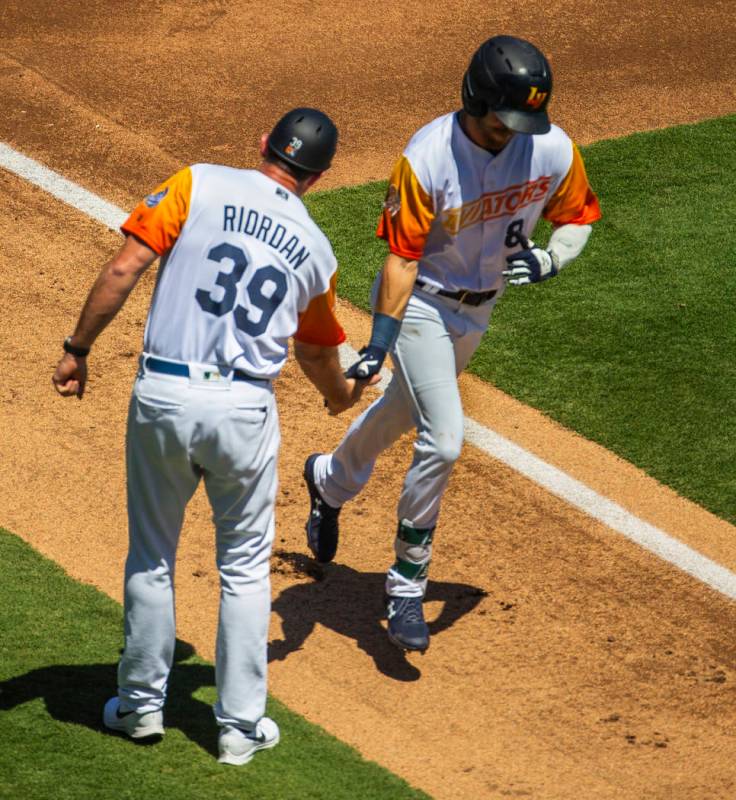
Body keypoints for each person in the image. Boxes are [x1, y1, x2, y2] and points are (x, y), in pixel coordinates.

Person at [52, 107, 376, 764]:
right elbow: (316, 356)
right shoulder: (315, 250)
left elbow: (124, 268)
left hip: (165, 395)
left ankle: (140, 709)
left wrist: (77, 348)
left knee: (150, 557)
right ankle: (237, 729)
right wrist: (343, 396)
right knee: (244, 570)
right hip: (243, 412)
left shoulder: (196, 184)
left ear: (264, 144)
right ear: (319, 176)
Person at [303, 36, 602, 653]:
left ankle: (329, 480)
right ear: (476, 98)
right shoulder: (429, 156)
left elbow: (578, 215)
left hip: (479, 312)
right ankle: (406, 584)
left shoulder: (550, 146)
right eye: (504, 117)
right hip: (425, 306)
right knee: (443, 437)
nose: (513, 131)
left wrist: (554, 260)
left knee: (403, 412)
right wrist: (380, 342)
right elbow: (402, 260)